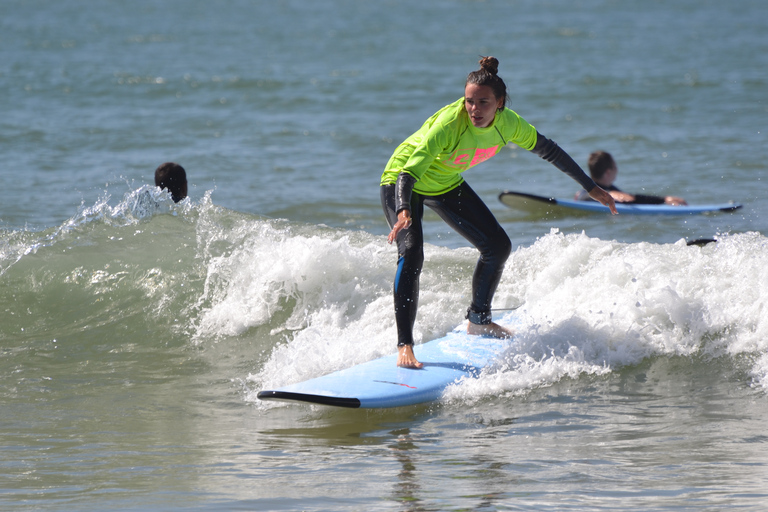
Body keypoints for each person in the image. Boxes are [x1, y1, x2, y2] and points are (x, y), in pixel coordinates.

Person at [380, 56, 617, 369]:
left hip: (445, 182)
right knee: (411, 253)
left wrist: (590, 187)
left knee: (497, 247)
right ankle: (404, 346)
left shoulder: (510, 124)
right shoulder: (450, 125)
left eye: (483, 102)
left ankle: (479, 320)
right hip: (402, 182)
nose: (474, 110)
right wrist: (403, 210)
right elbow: (409, 174)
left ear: (500, 103)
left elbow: (550, 151)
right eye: (469, 102)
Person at [574, 151, 686, 205]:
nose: (617, 170)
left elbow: (632, 198)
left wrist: (663, 199)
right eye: (615, 167)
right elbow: (582, 197)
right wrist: (609, 195)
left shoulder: (612, 189)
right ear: (608, 172)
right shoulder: (586, 192)